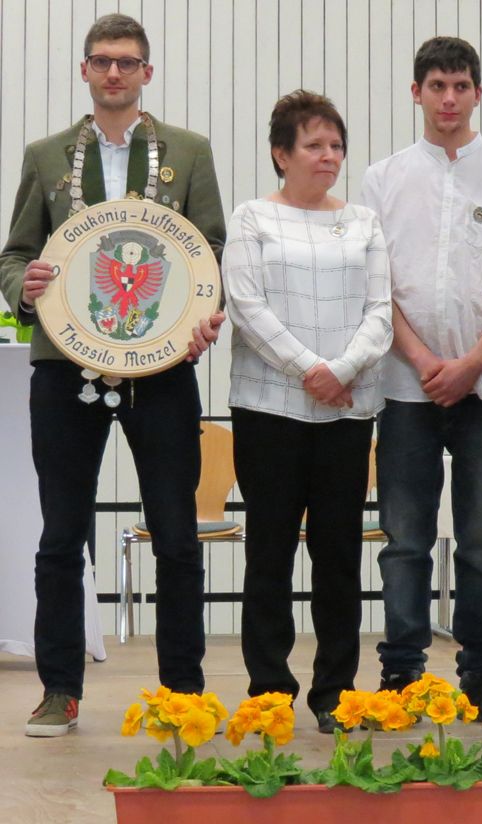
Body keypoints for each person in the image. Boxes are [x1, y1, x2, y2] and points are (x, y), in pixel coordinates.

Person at [0, 13, 225, 737]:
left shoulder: (189, 153)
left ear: (147, 73)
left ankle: (182, 691)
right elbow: (13, 255)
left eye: (128, 62)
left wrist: (205, 316)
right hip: (64, 366)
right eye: (102, 62)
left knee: (176, 531)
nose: (115, 73)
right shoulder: (45, 156)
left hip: (161, 368)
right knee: (63, 532)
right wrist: (24, 285)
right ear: (85, 72)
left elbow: (209, 250)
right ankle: (59, 689)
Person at [361, 36, 482, 716]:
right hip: (407, 387)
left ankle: (481, 672)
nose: (449, 99)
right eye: (437, 86)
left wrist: (474, 360)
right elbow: (379, 286)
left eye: (461, 86)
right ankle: (402, 673)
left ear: (478, 92)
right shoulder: (383, 178)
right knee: (405, 538)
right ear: (416, 92)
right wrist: (427, 362)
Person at [221, 90, 393, 733]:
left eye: (336, 146)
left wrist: (341, 370)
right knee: (268, 550)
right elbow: (247, 304)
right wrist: (309, 370)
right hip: (268, 410)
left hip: (346, 412)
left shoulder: (365, 222)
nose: (329, 157)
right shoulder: (251, 218)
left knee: (339, 551)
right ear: (280, 153)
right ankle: (269, 688)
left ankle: (336, 692)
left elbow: (381, 310)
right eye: (314, 145)